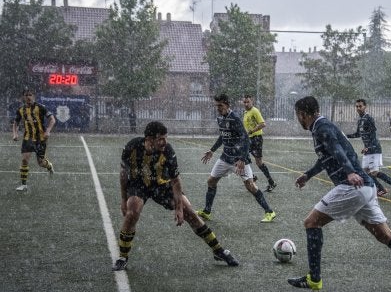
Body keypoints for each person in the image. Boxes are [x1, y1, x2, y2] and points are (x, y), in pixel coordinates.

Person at [288, 96, 391, 292]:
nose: (298, 119)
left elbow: (338, 151)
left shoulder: (321, 128)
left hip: (352, 187)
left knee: (311, 222)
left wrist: (349, 171)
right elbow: (327, 157)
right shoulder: (322, 127)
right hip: (365, 188)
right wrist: (308, 174)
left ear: (303, 114)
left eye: (298, 115)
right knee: (385, 235)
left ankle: (314, 278)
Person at [112, 121, 239, 271]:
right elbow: (123, 174)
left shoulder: (168, 151)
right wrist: (123, 199)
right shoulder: (131, 147)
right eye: (160, 138)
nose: (165, 141)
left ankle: (218, 250)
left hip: (163, 185)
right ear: (149, 139)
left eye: (166, 137)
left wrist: (179, 208)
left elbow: (175, 181)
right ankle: (123, 257)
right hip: (138, 185)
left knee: (190, 213)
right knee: (132, 213)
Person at [197, 94, 276, 223]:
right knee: (211, 181)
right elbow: (222, 136)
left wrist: (242, 159)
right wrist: (212, 150)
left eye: (220, 106)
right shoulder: (220, 118)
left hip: (238, 160)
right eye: (216, 106)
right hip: (225, 158)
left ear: (227, 105)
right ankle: (207, 211)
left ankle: (269, 212)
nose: (218, 108)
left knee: (250, 186)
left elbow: (246, 140)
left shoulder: (235, 119)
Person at [346, 99, 391, 198]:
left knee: (374, 172)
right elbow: (358, 134)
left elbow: (373, 134)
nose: (358, 108)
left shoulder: (368, 118)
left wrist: (369, 147)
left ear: (365, 107)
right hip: (368, 150)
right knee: (365, 173)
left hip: (374, 149)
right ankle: (381, 189)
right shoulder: (360, 120)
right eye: (357, 106)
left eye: (360, 106)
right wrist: (345, 136)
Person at [11, 88, 55, 191]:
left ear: (33, 96)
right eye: (26, 95)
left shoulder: (40, 107)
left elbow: (52, 119)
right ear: (23, 97)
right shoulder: (21, 110)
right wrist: (15, 134)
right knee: (24, 159)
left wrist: (48, 130)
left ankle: (48, 165)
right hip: (28, 138)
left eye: (30, 95)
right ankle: (23, 185)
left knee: (41, 163)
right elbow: (16, 123)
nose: (28, 97)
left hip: (41, 139)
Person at [242, 94, 277, 192]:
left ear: (251, 101)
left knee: (257, 161)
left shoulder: (255, 111)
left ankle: (270, 181)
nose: (246, 104)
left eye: (248, 102)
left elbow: (263, 124)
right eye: (244, 102)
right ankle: (254, 177)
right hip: (249, 139)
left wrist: (252, 131)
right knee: (242, 157)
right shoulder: (245, 112)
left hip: (256, 138)